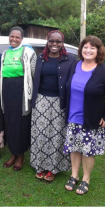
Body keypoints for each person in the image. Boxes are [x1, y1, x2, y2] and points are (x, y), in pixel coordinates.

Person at [63, 36, 105, 195]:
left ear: (98, 51)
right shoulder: (75, 65)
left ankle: (86, 179)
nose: (88, 50)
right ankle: (74, 175)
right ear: (81, 49)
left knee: (87, 150)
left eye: (92, 48)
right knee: (74, 148)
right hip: (73, 116)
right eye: (85, 47)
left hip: (92, 118)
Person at [30, 30, 76, 181]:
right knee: (40, 134)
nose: (54, 44)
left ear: (62, 43)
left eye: (58, 41)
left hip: (59, 103)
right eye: (51, 41)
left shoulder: (69, 59)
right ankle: (40, 165)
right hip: (41, 100)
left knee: (56, 136)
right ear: (47, 41)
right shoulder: (41, 57)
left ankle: (53, 168)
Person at [0, 26, 36, 171]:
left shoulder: (28, 52)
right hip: (7, 90)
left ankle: (21, 156)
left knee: (20, 123)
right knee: (9, 122)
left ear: (22, 39)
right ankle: (13, 154)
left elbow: (33, 74)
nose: (14, 39)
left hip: (21, 91)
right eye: (12, 36)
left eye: (17, 37)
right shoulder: (5, 53)